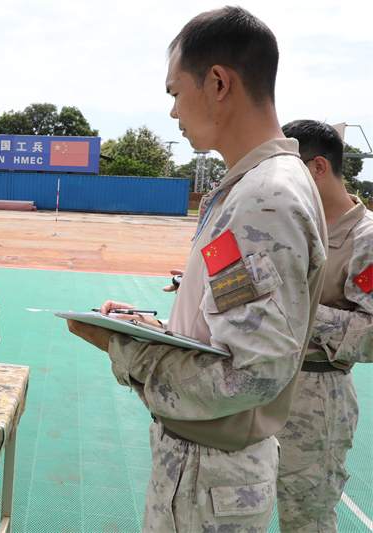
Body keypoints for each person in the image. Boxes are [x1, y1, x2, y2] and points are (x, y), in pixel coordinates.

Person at [67, 6, 328, 532]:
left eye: (174, 92)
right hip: (206, 473)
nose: (172, 112)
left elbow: (252, 375)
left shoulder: (264, 197)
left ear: (217, 83)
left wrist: (126, 349)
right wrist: (158, 332)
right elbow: (232, 337)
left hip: (210, 480)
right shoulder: (259, 184)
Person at [275, 120, 373, 532]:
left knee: (305, 522)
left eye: (286, 170)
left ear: (317, 168)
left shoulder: (364, 238)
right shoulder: (294, 226)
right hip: (266, 386)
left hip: (316, 400)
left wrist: (293, 308)